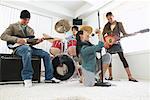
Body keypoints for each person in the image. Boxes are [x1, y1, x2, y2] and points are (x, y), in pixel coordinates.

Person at [0, 10, 60, 87]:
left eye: (28, 20)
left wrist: (38, 41)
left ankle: (49, 77)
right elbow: (3, 36)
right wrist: (17, 40)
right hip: (18, 48)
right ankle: (27, 77)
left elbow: (31, 42)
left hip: (29, 47)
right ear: (21, 18)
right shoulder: (12, 26)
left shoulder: (30, 29)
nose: (26, 22)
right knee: (26, 49)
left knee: (46, 54)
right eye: (25, 20)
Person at [102, 12, 138, 82]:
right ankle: (110, 76)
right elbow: (103, 35)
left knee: (122, 58)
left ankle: (130, 76)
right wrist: (106, 42)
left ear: (113, 16)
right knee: (109, 60)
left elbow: (124, 33)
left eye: (110, 18)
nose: (110, 20)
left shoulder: (119, 24)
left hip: (117, 43)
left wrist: (129, 34)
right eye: (108, 19)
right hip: (109, 45)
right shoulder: (106, 25)